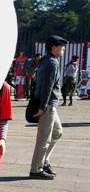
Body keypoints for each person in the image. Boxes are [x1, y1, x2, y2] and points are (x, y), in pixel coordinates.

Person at [29, 35, 67, 180]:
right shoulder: (52, 62)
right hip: (48, 105)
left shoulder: (46, 60)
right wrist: (42, 107)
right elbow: (47, 86)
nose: (63, 49)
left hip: (50, 104)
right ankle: (36, 169)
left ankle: (44, 162)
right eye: (62, 47)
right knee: (43, 138)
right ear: (54, 48)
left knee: (57, 132)